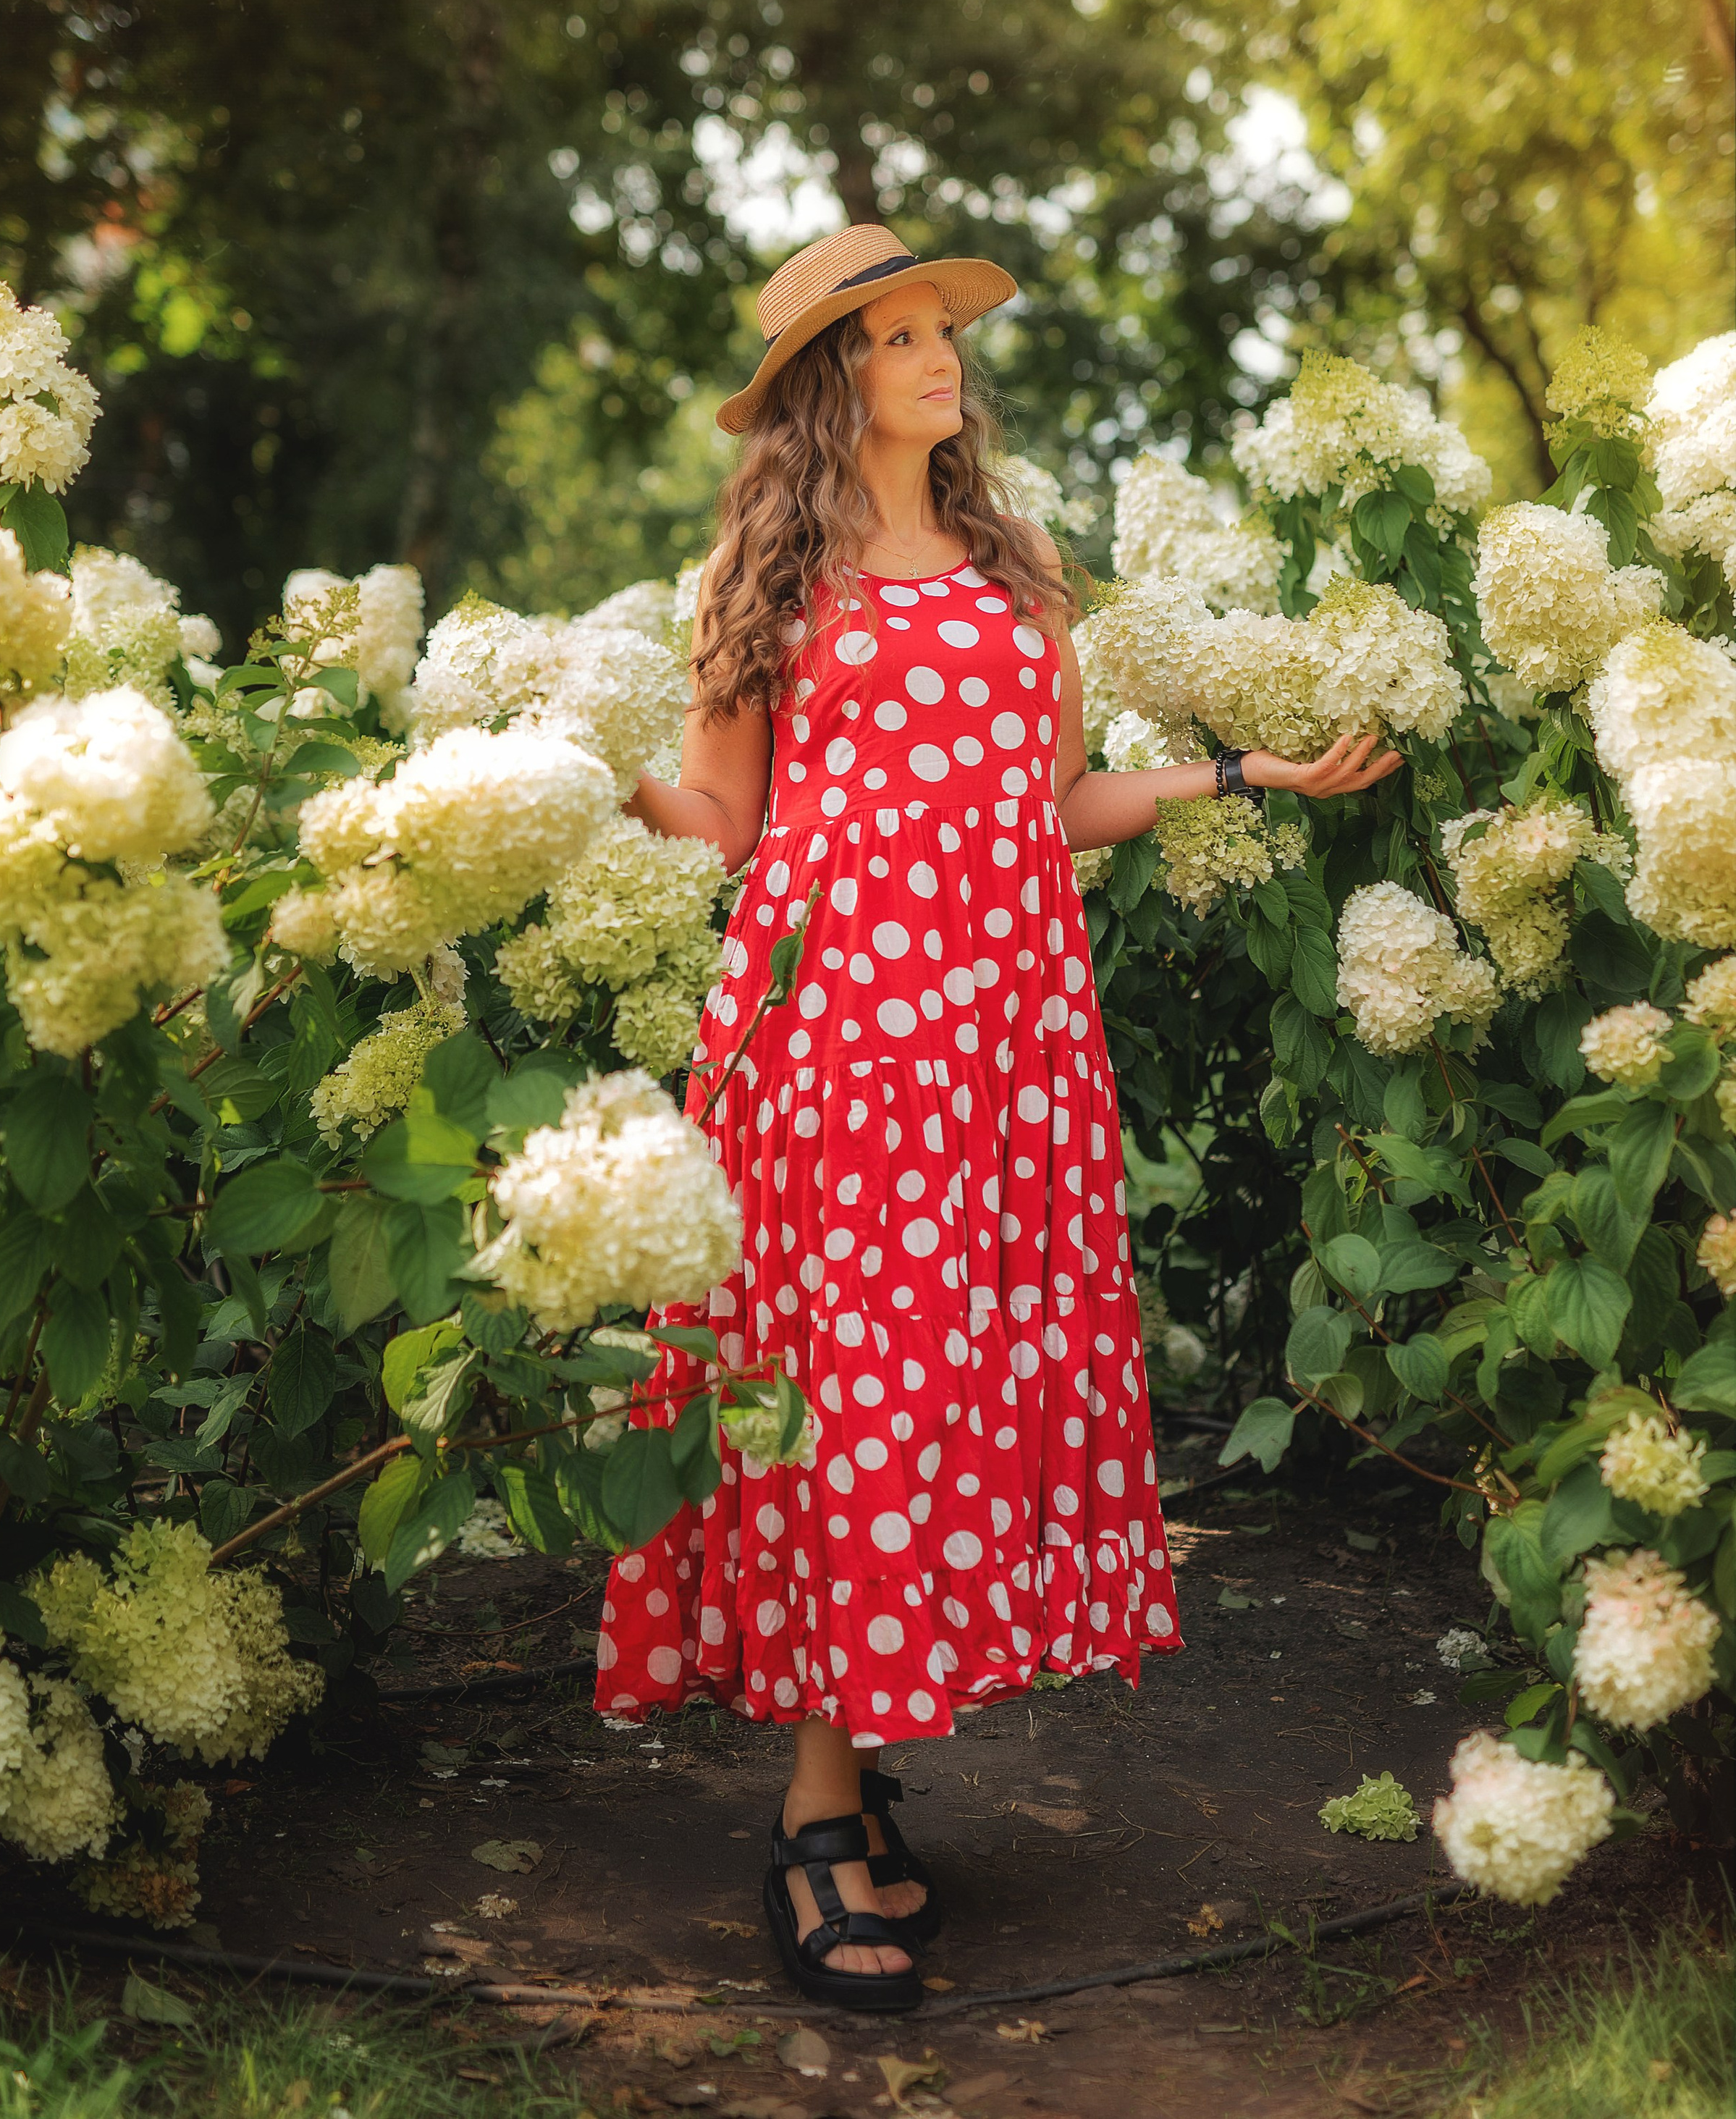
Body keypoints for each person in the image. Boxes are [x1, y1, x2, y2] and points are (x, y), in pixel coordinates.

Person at [594, 223, 1399, 2011]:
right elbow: (725, 819)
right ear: (830, 381)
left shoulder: (1012, 565)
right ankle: (817, 1808)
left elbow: (1041, 800)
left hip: (1003, 1045)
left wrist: (1233, 770)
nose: (935, 355)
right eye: (891, 337)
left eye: (937, 325)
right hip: (828, 1045)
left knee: (938, 1389)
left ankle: (861, 1762)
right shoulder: (768, 565)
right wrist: (573, 760)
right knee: (846, 1398)